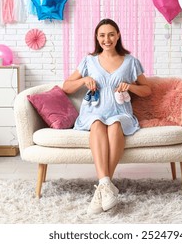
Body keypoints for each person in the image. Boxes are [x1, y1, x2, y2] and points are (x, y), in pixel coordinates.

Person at [62, 18, 152, 214]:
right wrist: (84, 80)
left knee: (115, 125)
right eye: (102, 35)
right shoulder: (89, 61)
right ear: (97, 37)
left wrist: (131, 86)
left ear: (118, 35)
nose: (107, 39)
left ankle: (101, 190)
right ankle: (106, 185)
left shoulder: (131, 61)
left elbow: (147, 90)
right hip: (94, 111)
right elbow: (66, 86)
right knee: (96, 123)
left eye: (111, 34)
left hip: (120, 112)